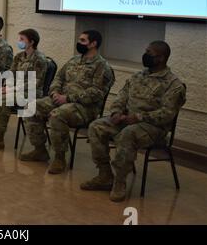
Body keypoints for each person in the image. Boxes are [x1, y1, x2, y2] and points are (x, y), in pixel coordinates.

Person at [80, 41, 186, 202]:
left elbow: (167, 114)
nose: (145, 55)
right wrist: (116, 112)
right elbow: (121, 97)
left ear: (161, 58)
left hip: (152, 128)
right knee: (96, 126)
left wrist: (138, 117)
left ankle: (119, 182)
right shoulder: (137, 76)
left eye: (149, 53)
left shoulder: (173, 84)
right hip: (126, 120)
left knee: (128, 134)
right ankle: (105, 175)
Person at [21, 30, 115, 175]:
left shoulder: (102, 66)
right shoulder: (74, 60)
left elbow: (96, 93)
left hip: (84, 108)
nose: (79, 43)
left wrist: (68, 98)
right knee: (31, 107)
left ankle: (59, 158)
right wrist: (55, 93)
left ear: (93, 44)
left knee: (56, 115)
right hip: (60, 99)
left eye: (83, 40)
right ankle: (39, 150)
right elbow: (58, 78)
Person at [0, 29, 48, 150]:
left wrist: (12, 89)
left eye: (22, 39)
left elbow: (35, 83)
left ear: (31, 42)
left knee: (2, 101)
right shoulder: (19, 57)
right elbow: (11, 73)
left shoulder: (39, 59)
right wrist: (7, 86)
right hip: (14, 89)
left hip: (30, 92)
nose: (19, 42)